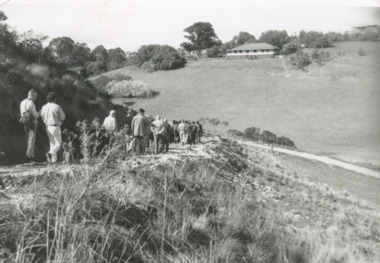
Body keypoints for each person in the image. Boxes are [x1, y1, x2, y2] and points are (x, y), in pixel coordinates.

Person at [40, 92, 65, 163]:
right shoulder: (56, 106)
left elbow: (42, 117)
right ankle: (50, 153)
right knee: (58, 143)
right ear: (54, 99)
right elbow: (63, 117)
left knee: (52, 143)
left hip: (47, 126)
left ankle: (53, 160)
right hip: (55, 126)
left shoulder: (44, 107)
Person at [20, 89, 40, 162]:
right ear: (31, 95)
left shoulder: (22, 102)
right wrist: (40, 113)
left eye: (36, 96)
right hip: (32, 121)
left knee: (28, 139)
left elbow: (22, 113)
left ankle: (32, 156)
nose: (35, 98)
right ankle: (28, 157)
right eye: (34, 96)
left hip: (24, 121)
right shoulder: (31, 103)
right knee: (32, 139)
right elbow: (36, 115)